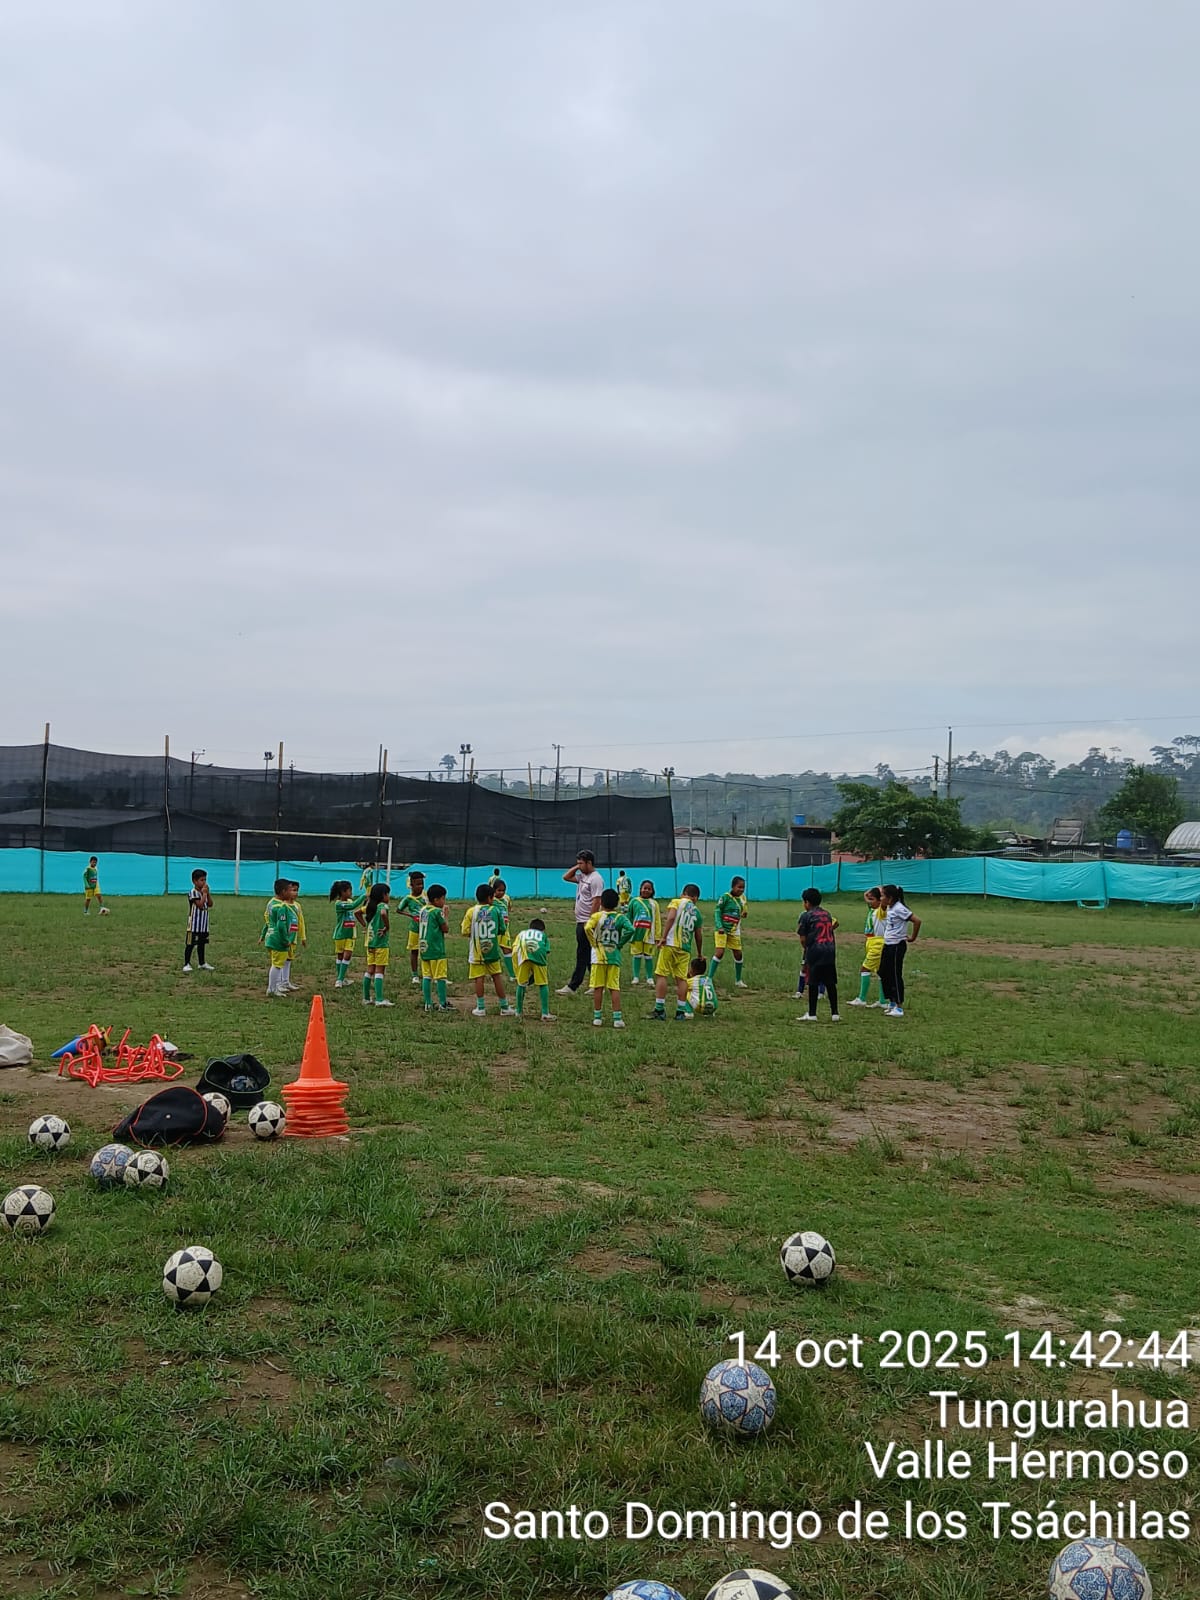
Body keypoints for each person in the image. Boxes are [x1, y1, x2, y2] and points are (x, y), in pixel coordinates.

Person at [462, 883, 515, 1017]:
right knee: (497, 977)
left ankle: (480, 1007)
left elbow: (465, 931)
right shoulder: (495, 911)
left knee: (479, 979)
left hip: (477, 952)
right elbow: (502, 929)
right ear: (490, 898)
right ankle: (504, 1006)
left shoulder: (471, 911)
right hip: (492, 951)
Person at [652, 883, 704, 1020]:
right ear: (695, 898)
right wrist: (699, 953)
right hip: (685, 948)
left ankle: (659, 1009)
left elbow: (670, 918)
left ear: (683, 894)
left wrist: (663, 937)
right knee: (682, 979)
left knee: (662, 974)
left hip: (670, 943)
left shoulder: (676, 902)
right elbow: (698, 935)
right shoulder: (697, 912)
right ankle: (680, 1011)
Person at [585, 887, 635, 1028]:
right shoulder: (620, 918)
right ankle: (617, 1018)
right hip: (614, 957)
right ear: (617, 903)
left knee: (598, 987)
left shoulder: (596, 916)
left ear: (601, 902)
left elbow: (587, 928)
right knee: (614, 987)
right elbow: (631, 929)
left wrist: (593, 943)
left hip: (598, 957)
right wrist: (620, 943)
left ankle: (597, 1017)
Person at [557, 851, 604, 995]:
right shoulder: (583, 876)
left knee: (582, 954)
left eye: (581, 863)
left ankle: (573, 986)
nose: (579, 866)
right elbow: (566, 877)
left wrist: (591, 922)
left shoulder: (596, 879)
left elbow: (597, 901)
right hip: (580, 921)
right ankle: (597, 984)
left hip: (587, 922)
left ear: (589, 863)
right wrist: (577, 867)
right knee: (589, 954)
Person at [796, 887, 839, 1021]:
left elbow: (802, 938)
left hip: (815, 950)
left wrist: (807, 949)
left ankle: (812, 1014)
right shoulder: (827, 914)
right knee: (830, 982)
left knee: (813, 982)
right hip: (830, 950)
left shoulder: (806, 915)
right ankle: (835, 1014)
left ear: (807, 902)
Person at [880, 884, 921, 1018]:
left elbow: (917, 921)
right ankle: (891, 1002)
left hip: (896, 945)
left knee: (895, 974)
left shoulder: (899, 908)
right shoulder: (891, 907)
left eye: (883, 896)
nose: (881, 898)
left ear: (890, 898)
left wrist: (913, 937)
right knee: (883, 971)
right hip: (888, 944)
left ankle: (899, 1007)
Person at [848, 887, 887, 1007]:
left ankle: (862, 998)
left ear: (880, 900)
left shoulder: (881, 911)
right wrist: (871, 892)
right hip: (871, 941)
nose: (869, 902)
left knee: (865, 969)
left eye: (872, 899)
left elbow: (884, 903)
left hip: (877, 943)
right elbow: (865, 895)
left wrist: (882, 891)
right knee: (880, 972)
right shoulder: (872, 909)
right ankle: (883, 1001)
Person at [357, 883, 394, 1007]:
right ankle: (379, 999)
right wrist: (387, 927)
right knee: (379, 971)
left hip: (370, 943)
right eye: (388, 894)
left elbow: (357, 912)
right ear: (383, 895)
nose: (389, 896)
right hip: (381, 943)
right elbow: (383, 913)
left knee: (370, 970)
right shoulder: (383, 905)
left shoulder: (370, 907)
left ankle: (366, 998)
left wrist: (365, 925)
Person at [261, 878, 299, 997]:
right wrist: (285, 939)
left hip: (270, 936)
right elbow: (281, 925)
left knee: (276, 963)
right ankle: (272, 989)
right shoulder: (281, 906)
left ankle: (275, 987)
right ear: (283, 891)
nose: (291, 893)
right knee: (277, 965)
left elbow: (267, 919)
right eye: (289, 890)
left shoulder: (271, 903)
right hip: (278, 939)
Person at [709, 875, 748, 989]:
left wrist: (744, 914)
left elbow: (743, 911)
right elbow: (717, 911)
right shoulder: (725, 897)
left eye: (743, 887)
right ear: (733, 887)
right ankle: (709, 978)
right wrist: (719, 926)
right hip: (722, 930)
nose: (741, 890)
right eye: (739, 887)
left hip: (734, 930)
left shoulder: (743, 899)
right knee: (720, 952)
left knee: (738, 954)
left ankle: (738, 980)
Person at [512, 917, 554, 1020]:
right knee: (543, 984)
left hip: (523, 955)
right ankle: (545, 1013)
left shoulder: (522, 933)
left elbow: (515, 948)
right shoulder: (543, 935)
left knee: (521, 984)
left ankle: (518, 1011)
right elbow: (547, 950)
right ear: (542, 930)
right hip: (538, 955)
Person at [418, 885, 451, 1012]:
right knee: (440, 977)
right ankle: (442, 1004)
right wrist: (446, 915)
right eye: (443, 899)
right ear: (436, 900)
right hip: (436, 949)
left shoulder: (423, 910)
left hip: (424, 948)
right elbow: (445, 928)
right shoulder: (437, 912)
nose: (444, 901)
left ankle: (428, 1003)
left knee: (427, 976)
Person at [329, 879, 367, 987]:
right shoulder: (339, 904)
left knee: (348, 955)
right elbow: (352, 906)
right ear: (343, 892)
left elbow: (355, 906)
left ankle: (340, 979)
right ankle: (341, 978)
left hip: (350, 934)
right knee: (340, 956)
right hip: (340, 933)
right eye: (349, 890)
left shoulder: (350, 901)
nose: (351, 893)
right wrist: (364, 896)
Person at [395, 870, 427, 987]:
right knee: (414, 951)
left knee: (426, 950)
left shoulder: (426, 896)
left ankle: (427, 973)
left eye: (422, 883)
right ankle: (415, 975)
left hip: (426, 928)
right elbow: (398, 910)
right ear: (411, 885)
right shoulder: (408, 898)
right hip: (414, 928)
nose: (421, 886)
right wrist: (411, 915)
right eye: (418, 884)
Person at [628, 879, 660, 985]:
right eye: (644, 888)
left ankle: (649, 977)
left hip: (649, 934)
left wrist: (657, 936)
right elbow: (629, 917)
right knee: (636, 955)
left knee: (648, 956)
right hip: (636, 934)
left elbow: (657, 920)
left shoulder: (654, 904)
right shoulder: (634, 901)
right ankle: (636, 977)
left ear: (652, 891)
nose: (646, 890)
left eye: (649, 889)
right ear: (640, 889)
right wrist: (628, 931)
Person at [183, 868, 214, 971]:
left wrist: (207, 894)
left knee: (202, 944)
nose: (204, 882)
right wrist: (204, 894)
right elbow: (200, 905)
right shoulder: (193, 892)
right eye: (201, 880)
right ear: (194, 881)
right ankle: (186, 963)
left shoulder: (204, 892)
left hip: (203, 924)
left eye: (205, 880)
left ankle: (202, 963)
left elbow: (210, 904)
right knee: (190, 944)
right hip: (194, 923)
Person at [491, 878, 516, 978]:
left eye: (503, 890)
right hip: (495, 930)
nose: (501, 892)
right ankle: (494, 974)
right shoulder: (491, 900)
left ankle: (512, 975)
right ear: (494, 890)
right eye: (499, 890)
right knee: (493, 952)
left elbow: (508, 907)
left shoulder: (506, 898)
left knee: (508, 950)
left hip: (505, 929)